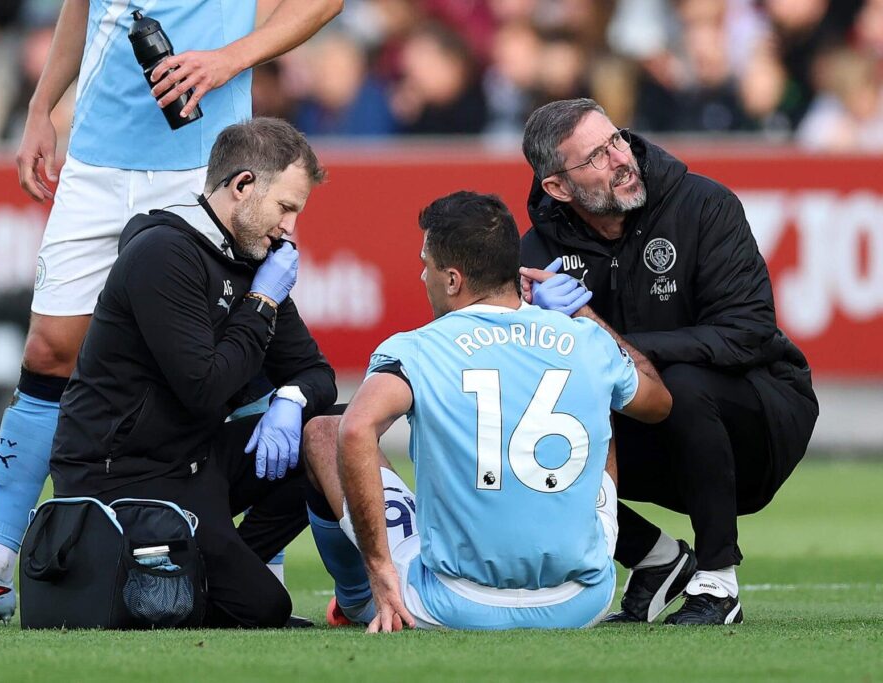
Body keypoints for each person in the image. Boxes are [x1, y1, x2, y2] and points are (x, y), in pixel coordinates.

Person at [0, 0, 343, 622]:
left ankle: (256, 558)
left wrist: (227, 60)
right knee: (48, 351)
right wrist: (41, 107)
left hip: (200, 153)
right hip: (97, 155)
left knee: (242, 351)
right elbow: (83, 9)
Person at [301, 191, 671, 632]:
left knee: (324, 431)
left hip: (452, 602)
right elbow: (658, 404)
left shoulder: (417, 348)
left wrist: (379, 567)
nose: (422, 275)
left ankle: (359, 597)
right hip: (579, 601)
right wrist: (583, 314)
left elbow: (355, 429)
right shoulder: (585, 339)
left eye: (426, 264)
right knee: (600, 393)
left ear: (453, 280)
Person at [519, 98, 819, 625]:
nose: (620, 159)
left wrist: (600, 334)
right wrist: (529, 326)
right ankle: (655, 558)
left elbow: (747, 334)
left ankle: (719, 582)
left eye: (617, 140)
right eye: (596, 156)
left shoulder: (703, 204)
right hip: (648, 428)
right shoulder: (539, 251)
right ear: (558, 188)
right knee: (521, 426)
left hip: (761, 417)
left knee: (680, 382)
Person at [53, 117, 335, 628]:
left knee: (328, 433)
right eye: (285, 207)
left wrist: (291, 401)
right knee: (266, 609)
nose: (290, 227)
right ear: (242, 185)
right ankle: (212, 577)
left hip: (192, 459)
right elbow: (203, 388)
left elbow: (315, 372)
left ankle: (215, 569)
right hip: (124, 474)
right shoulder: (164, 253)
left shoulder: (252, 258)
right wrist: (262, 302)